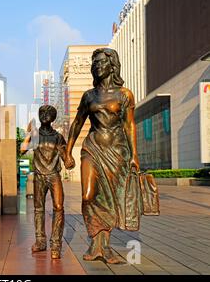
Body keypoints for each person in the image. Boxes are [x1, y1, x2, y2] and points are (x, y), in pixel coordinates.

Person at [64, 48, 140, 264]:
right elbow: (78, 123)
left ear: (112, 65)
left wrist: (135, 155)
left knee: (109, 198)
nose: (97, 66)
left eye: (101, 62)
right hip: (92, 149)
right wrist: (68, 151)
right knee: (88, 194)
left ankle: (101, 245)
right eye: (94, 63)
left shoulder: (124, 94)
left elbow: (129, 125)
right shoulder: (89, 96)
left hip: (116, 152)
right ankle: (96, 239)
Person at [20, 105, 67, 260]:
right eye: (42, 113)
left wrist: (67, 155)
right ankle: (40, 241)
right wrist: (28, 134)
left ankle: (56, 244)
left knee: (59, 208)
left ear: (53, 117)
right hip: (39, 176)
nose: (44, 115)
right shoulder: (35, 135)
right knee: (38, 209)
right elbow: (22, 150)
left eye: (48, 113)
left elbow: (68, 161)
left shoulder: (58, 137)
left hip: (54, 175)